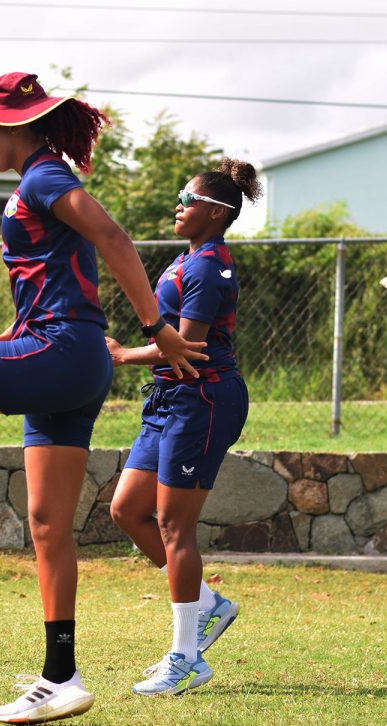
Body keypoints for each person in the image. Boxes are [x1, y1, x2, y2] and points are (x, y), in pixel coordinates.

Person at [0, 72, 207, 723]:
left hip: (63, 353)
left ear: (21, 127)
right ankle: (62, 677)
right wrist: (15, 335)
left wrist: (156, 328)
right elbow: (64, 276)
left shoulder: (42, 177)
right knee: (49, 526)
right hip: (67, 354)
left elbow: (112, 238)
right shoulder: (41, 179)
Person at [106, 159, 259, 695]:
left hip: (203, 398)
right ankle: (209, 605)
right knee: (126, 510)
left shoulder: (209, 265)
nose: (178, 204)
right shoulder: (186, 259)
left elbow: (187, 346)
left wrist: (125, 356)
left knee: (174, 526)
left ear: (216, 212)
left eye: (185, 197)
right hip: (170, 396)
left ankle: (186, 657)